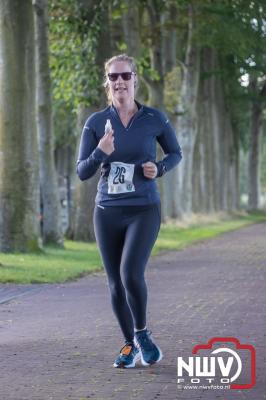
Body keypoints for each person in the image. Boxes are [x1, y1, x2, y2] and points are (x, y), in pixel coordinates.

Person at [76, 54, 182, 368]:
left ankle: (143, 333)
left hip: (143, 208)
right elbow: (82, 171)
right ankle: (129, 345)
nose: (119, 82)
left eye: (125, 75)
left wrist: (159, 168)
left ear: (135, 78)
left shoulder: (154, 118)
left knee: (130, 274)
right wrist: (100, 153)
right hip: (107, 210)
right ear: (107, 83)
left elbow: (175, 152)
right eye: (113, 77)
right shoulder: (95, 123)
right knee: (113, 282)